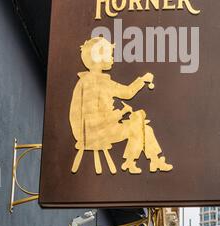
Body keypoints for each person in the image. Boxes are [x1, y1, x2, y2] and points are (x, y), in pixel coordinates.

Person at [69, 37, 173, 175]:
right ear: (98, 56)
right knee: (137, 126)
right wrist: (120, 113)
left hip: (103, 128)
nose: (112, 57)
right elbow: (92, 121)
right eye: (109, 54)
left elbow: (127, 92)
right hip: (92, 134)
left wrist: (143, 80)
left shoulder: (102, 81)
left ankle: (151, 160)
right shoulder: (89, 84)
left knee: (143, 127)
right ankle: (134, 162)